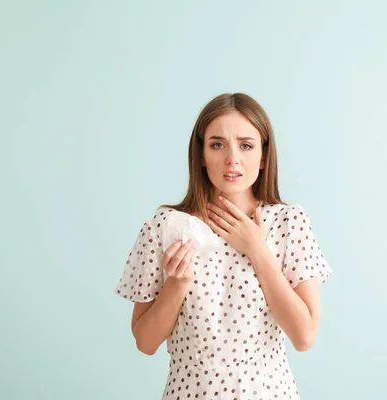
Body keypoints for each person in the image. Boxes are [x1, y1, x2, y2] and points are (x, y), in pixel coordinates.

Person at [114, 92, 332, 399]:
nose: (232, 159)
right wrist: (176, 284)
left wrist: (257, 249)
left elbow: (304, 335)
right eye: (217, 144)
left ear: (264, 155)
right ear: (201, 155)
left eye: (246, 145)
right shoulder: (165, 228)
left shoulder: (288, 223)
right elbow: (145, 343)